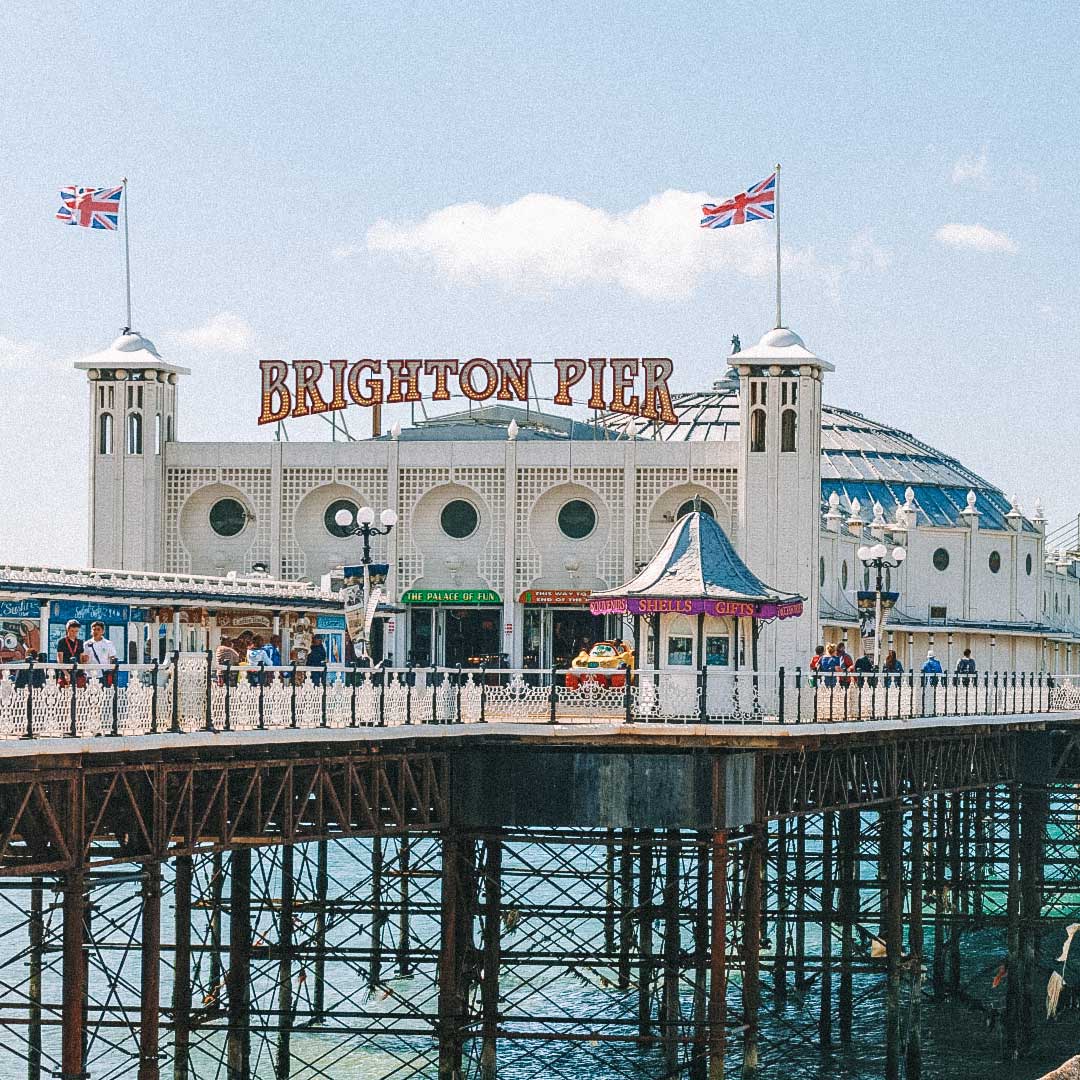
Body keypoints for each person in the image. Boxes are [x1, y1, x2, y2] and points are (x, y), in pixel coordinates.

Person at [83, 621, 119, 685]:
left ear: (102, 631)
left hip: (103, 674)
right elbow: (84, 659)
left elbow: (112, 658)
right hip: (90, 674)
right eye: (94, 629)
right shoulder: (86, 644)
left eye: (98, 629)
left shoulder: (108, 644)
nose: (96, 631)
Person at [56, 619, 87, 688]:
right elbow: (59, 659)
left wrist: (84, 667)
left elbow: (81, 658)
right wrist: (65, 673)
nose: (74, 633)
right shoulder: (62, 642)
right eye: (72, 631)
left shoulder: (80, 642)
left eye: (76, 631)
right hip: (66, 671)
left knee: (80, 695)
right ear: (67, 630)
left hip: (78, 672)